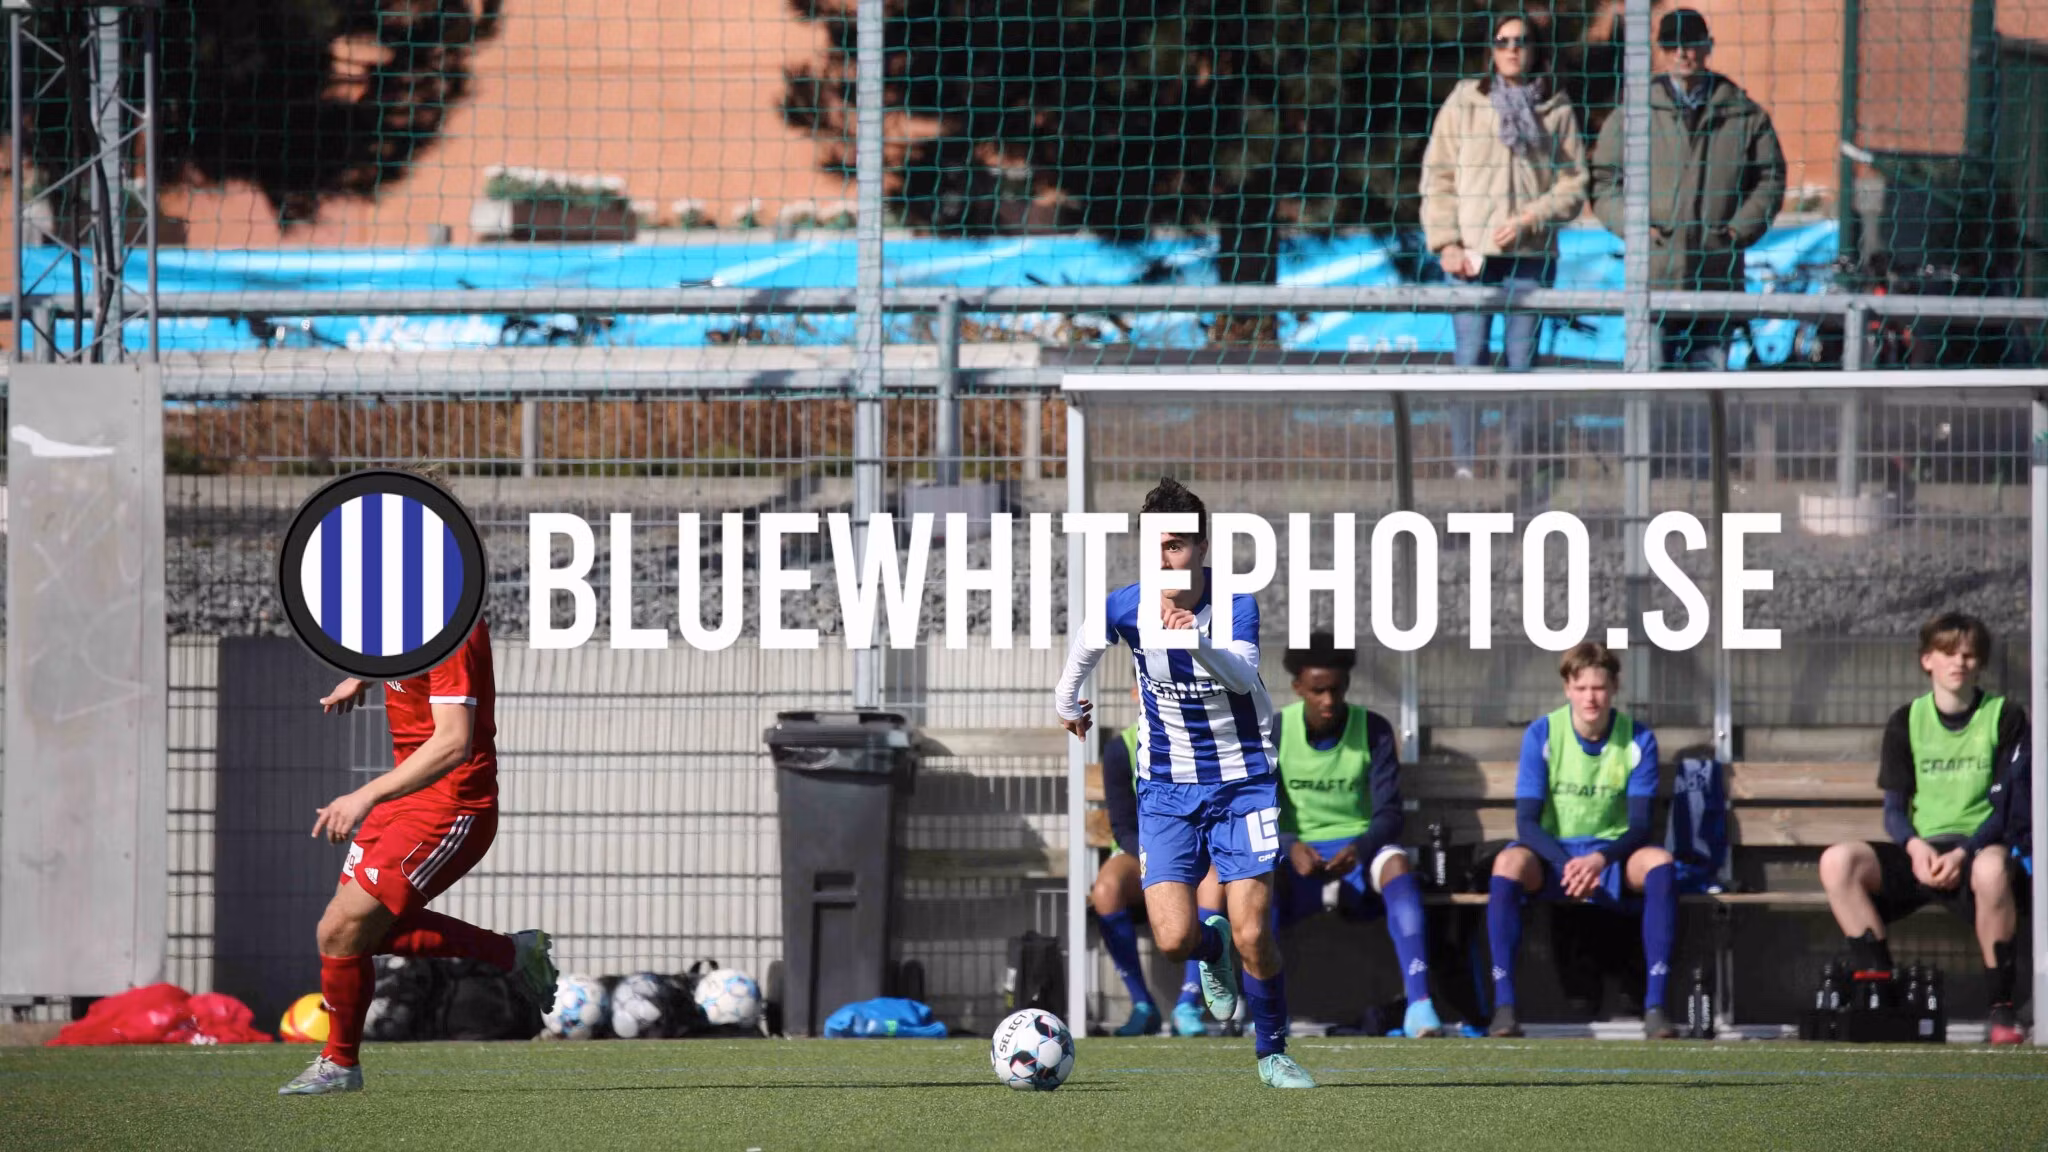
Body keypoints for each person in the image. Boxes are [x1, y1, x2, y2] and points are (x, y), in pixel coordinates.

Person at [1054, 477, 1314, 1089]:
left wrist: (1193, 641)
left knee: (1254, 933)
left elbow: (1243, 677)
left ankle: (1272, 1052)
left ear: (1201, 547)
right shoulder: (1127, 605)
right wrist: (1067, 700)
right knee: (1174, 940)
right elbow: (1086, 645)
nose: (1163, 560)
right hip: (1166, 789)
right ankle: (1209, 948)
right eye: (1153, 547)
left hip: (1243, 784)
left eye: (1174, 546)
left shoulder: (1235, 603)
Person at [280, 610, 558, 1094]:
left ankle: (340, 1063)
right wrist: (363, 675)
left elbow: (453, 742)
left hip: (451, 805)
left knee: (341, 929)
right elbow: (405, 656)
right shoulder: (404, 614)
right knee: (351, 937)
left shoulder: (450, 626)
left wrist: (365, 795)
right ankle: (511, 952)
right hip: (406, 797)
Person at [1817, 612, 2029, 1046]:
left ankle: (2002, 1008)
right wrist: (1914, 848)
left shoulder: (2004, 716)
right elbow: (1894, 810)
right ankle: (1879, 989)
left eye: (1969, 655)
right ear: (1927, 660)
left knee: (1992, 870)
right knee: (1838, 862)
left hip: (1978, 851)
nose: (1959, 663)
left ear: (1980, 662)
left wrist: (1964, 852)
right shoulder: (1906, 720)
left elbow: (2007, 809)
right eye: (1948, 653)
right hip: (1924, 855)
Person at [1421, 11, 1588, 477]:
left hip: (1530, 258)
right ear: (1491, 49)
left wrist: (1532, 217)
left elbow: (1574, 183)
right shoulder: (1465, 101)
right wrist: (1447, 243)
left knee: (1522, 362)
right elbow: (1438, 176)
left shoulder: (1555, 107)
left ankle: (1515, 463)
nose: (1512, 49)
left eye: (1521, 40)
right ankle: (1464, 466)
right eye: (1503, 41)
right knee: (1469, 358)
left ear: (1535, 49)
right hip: (1471, 258)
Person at [1485, 641, 1678, 1039]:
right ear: (1567, 688)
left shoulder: (1638, 739)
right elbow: (1527, 823)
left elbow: (1640, 826)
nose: (1591, 697)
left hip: (1611, 857)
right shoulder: (1542, 733)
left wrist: (1600, 860)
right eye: (1582, 687)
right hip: (1554, 856)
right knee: (1507, 864)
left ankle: (1655, 1006)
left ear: (1615, 688)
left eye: (1599, 687)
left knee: (1660, 863)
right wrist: (1565, 862)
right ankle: (1503, 1008)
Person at [1590, 6, 1786, 370]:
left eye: (1691, 43)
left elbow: (1770, 179)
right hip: (1652, 278)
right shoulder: (1634, 112)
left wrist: (1735, 232)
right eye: (1672, 44)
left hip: (1716, 275)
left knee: (1707, 385)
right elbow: (1603, 180)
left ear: (1708, 46)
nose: (1682, 53)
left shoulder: (1744, 114)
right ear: (1661, 50)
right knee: (1649, 381)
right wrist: (1635, 227)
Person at [1269, 633, 1443, 1038]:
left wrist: (1361, 848)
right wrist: (1289, 845)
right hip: (1299, 859)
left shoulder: (1373, 730)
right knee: (1255, 879)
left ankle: (1420, 1004)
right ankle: (1267, 1009)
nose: (1329, 700)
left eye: (1337, 688)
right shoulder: (1275, 731)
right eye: (1318, 690)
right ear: (1298, 687)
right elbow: (1258, 809)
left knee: (1397, 866)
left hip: (1360, 854)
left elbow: (1389, 814)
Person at [1096, 682, 1226, 1037]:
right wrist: (1159, 859)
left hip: (1199, 851)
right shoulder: (1121, 748)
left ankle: (1189, 1002)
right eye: (1149, 684)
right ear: (1137, 691)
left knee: (1213, 883)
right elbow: (1123, 826)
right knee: (1106, 889)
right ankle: (1142, 1004)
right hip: (1141, 851)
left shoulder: (1205, 741)